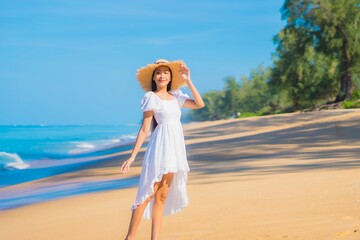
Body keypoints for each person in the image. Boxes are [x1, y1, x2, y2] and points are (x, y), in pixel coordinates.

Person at [120, 59, 205, 240]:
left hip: (174, 149)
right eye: (158, 73)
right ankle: (130, 237)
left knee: (162, 196)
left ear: (170, 76)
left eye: (166, 72)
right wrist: (132, 156)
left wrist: (188, 80)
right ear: (153, 77)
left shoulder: (176, 97)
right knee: (147, 192)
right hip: (159, 148)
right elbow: (145, 129)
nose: (162, 75)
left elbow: (199, 104)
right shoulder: (151, 97)